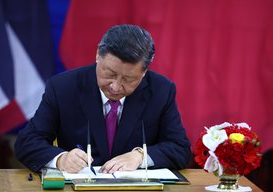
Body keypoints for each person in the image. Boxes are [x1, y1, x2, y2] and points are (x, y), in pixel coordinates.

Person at [14, 24, 191, 174]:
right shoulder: (63, 87)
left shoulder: (161, 90)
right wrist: (61, 159)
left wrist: (140, 156)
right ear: (98, 54)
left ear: (144, 73)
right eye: (110, 74)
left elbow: (180, 148)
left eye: (128, 80)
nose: (115, 86)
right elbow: (27, 142)